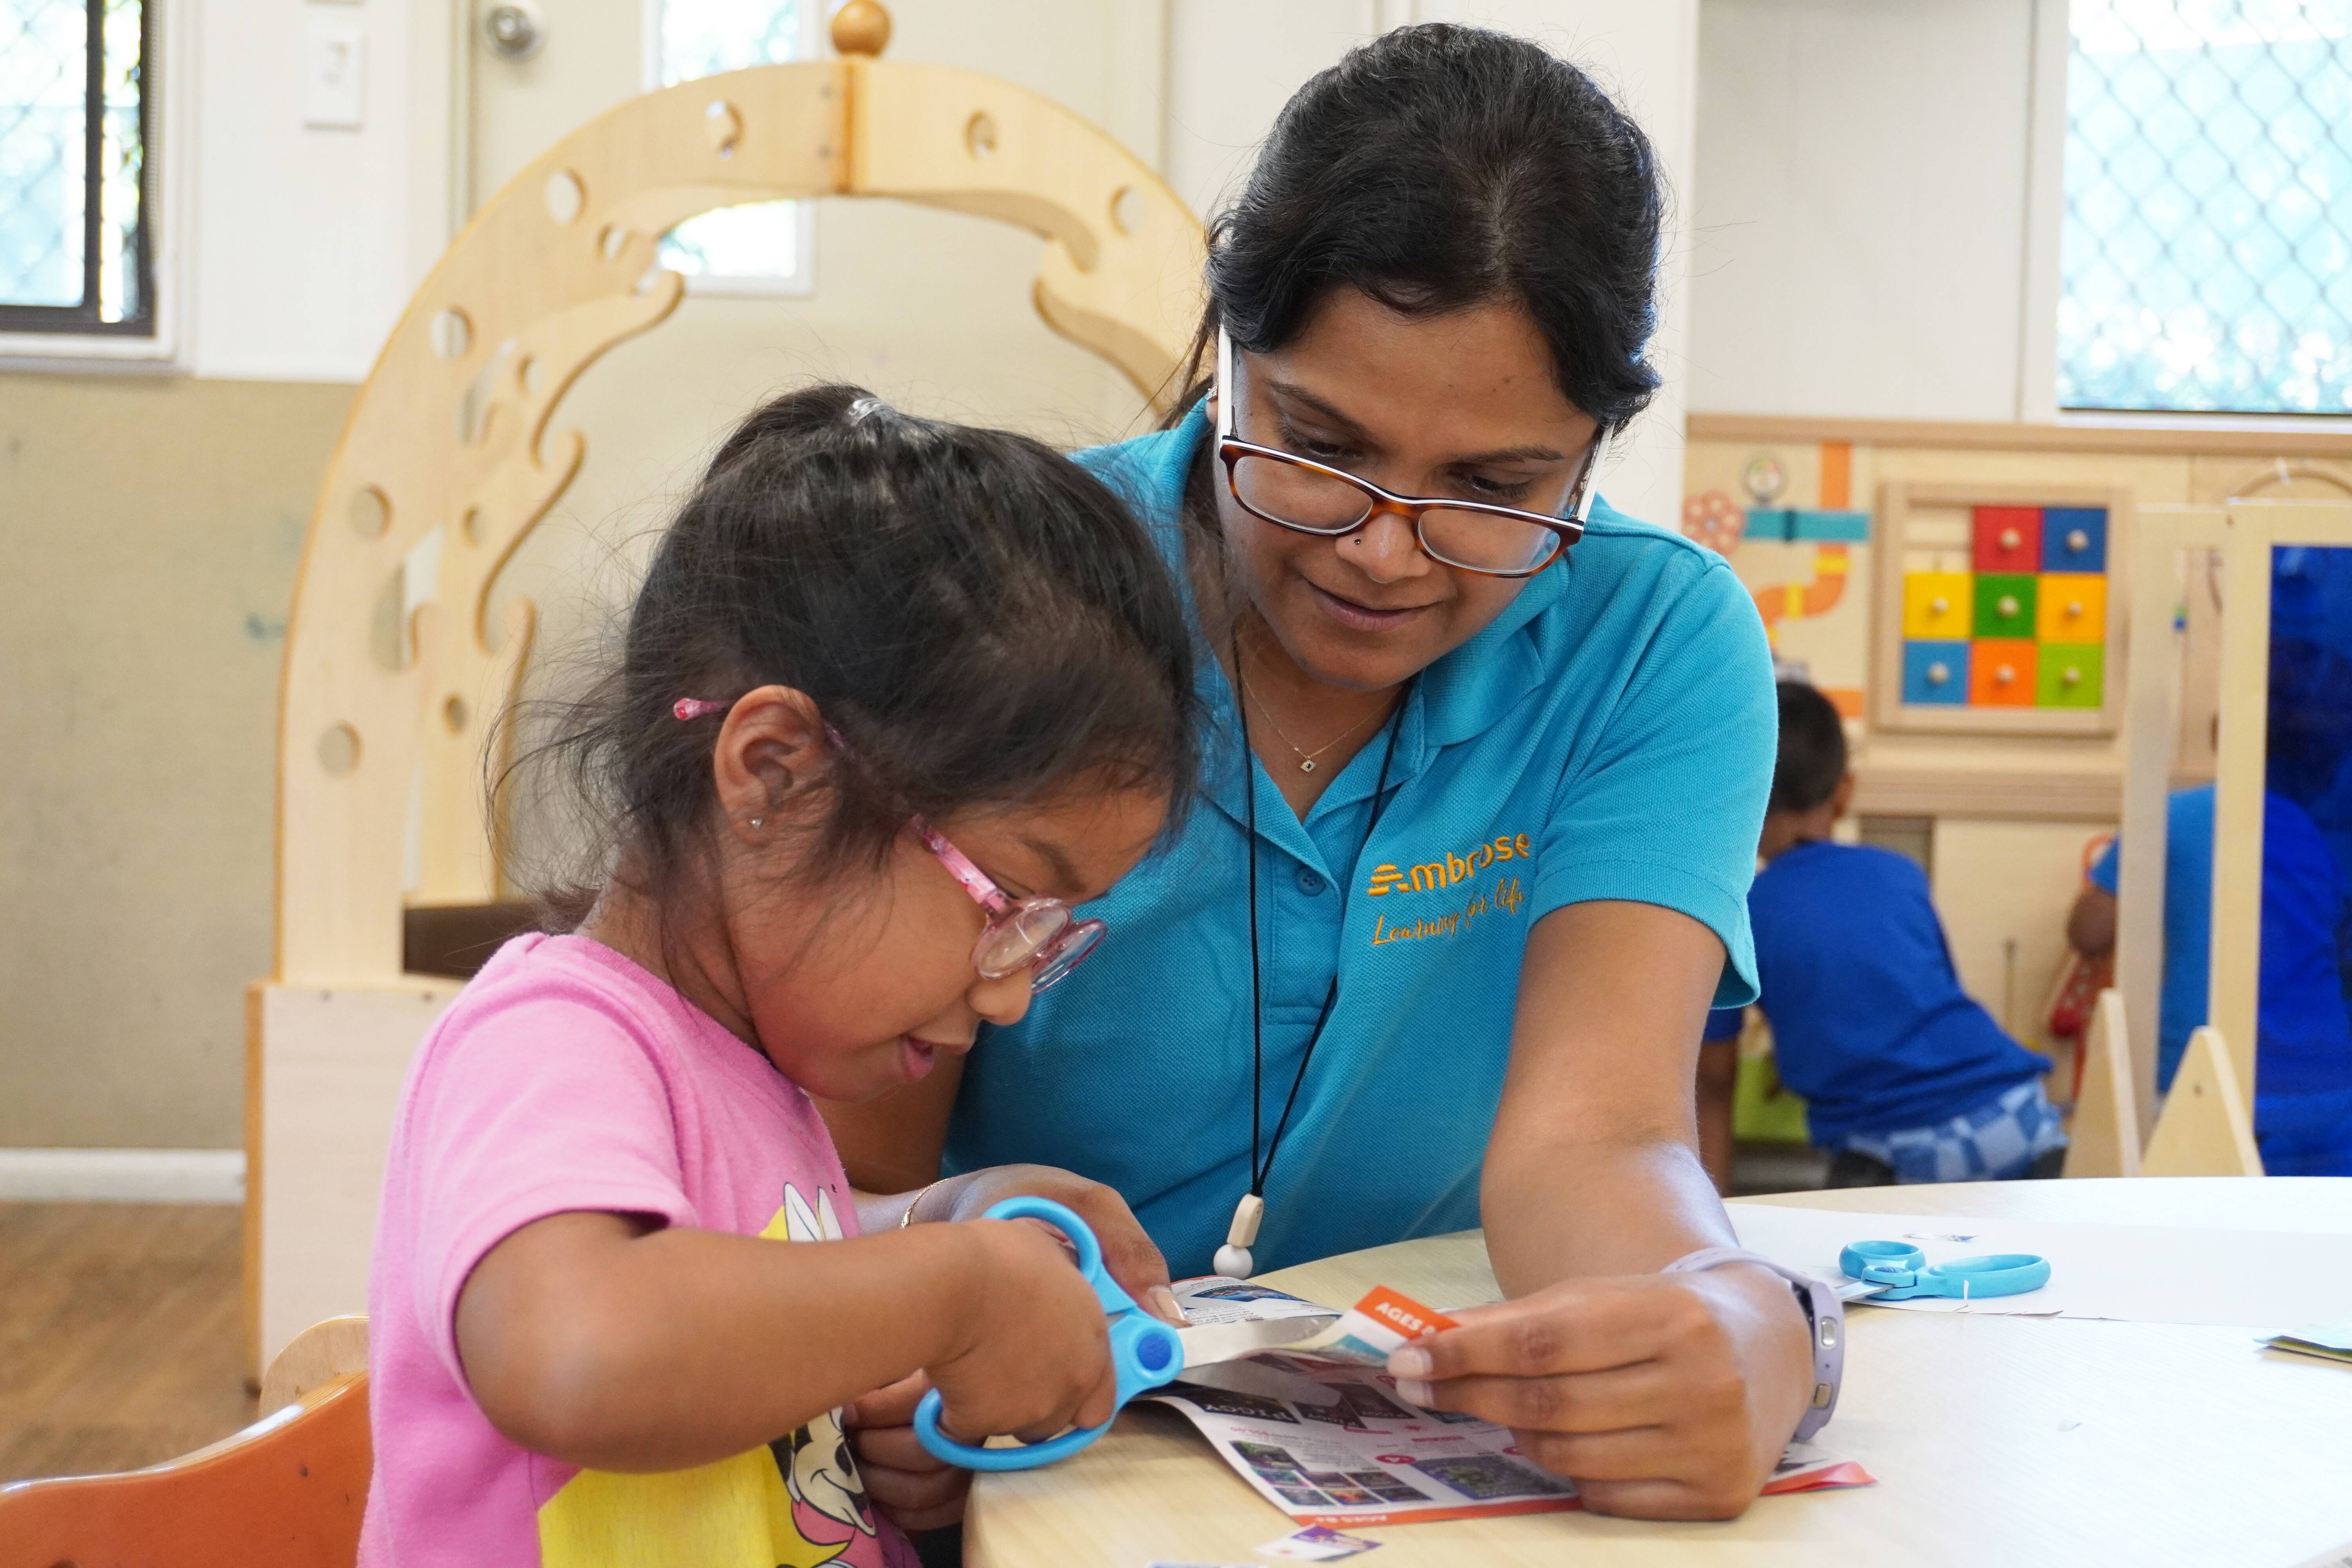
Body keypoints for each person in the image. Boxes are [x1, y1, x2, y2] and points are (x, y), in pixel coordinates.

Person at [824, 25, 1820, 1524]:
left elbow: (1597, 1135)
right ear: (1228, 351)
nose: (1383, 552)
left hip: (1413, 1457)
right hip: (1021, 1455)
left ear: (1594, 450)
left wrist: (1724, 1309)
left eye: (1492, 488)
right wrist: (903, 1307)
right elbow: (836, 1168)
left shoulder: (1650, 643)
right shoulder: (1002, 599)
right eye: (1319, 445)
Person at [359, 387, 1202, 1566]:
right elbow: (578, 1350)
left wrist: (940, 1215)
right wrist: (952, 1290)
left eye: (1046, 932)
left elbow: (747, 1238)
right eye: (1007, 901)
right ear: (774, 773)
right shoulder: (549, 1038)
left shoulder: (745, 1066)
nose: (1013, 991)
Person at [1701, 684, 2068, 1186]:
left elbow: (1712, 1081)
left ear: (1738, 797)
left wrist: (1715, 1205)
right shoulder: (1899, 871)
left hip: (1897, 1147)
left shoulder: (1734, 916)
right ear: (1845, 791)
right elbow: (1921, 997)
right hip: (2017, 1114)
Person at [2067, 784, 2352, 1176]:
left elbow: (2089, 933)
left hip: (2203, 1079)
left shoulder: (2174, 815)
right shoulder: (2314, 824)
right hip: (2325, 1083)